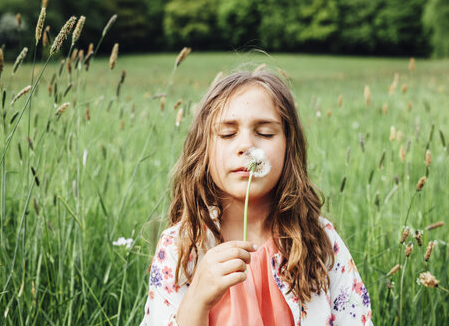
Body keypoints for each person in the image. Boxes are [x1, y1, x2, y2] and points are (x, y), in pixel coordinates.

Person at [140, 70, 373, 326]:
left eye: (264, 133)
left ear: (288, 146)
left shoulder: (319, 240)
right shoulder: (181, 247)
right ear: (203, 149)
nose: (247, 146)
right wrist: (196, 301)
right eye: (228, 134)